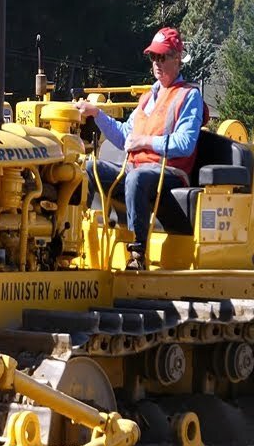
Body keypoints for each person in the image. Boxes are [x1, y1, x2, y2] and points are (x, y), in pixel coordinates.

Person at [75, 27, 204, 271]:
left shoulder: (189, 96)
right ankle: (78, 238)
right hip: (138, 169)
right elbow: (126, 136)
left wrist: (145, 142)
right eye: (153, 57)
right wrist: (97, 114)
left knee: (136, 178)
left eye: (163, 57)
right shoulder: (148, 97)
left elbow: (185, 144)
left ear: (177, 59)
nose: (157, 63)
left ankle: (137, 253)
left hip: (171, 173)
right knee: (88, 168)